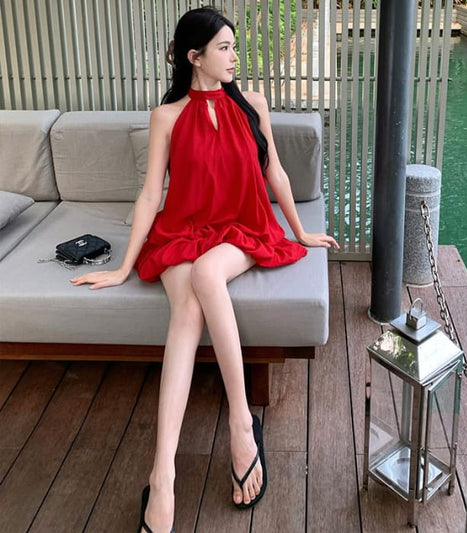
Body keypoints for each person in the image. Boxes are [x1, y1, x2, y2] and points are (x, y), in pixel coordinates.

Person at [71, 7, 338, 533]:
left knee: (207, 275)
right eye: (224, 48)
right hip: (182, 229)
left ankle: (240, 423)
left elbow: (275, 172)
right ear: (195, 57)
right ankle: (163, 474)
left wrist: (300, 231)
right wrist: (123, 266)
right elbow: (151, 195)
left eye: (234, 46)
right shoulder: (166, 116)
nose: (235, 57)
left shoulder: (252, 105)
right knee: (187, 314)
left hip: (243, 227)